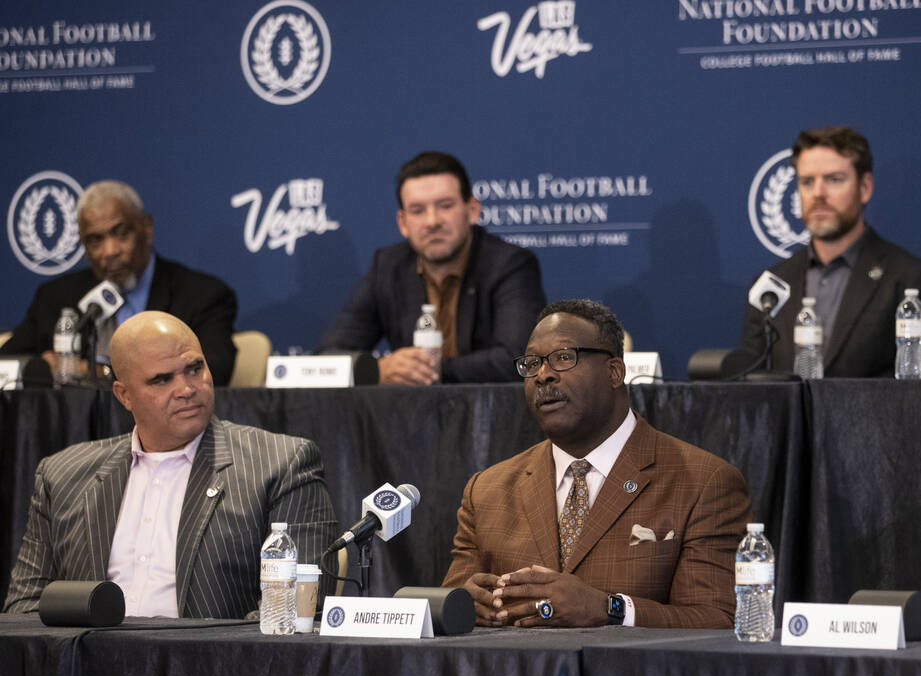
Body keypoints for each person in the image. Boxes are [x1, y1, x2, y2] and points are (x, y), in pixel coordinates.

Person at [3, 311, 339, 618]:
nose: (187, 389)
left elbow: (296, 609)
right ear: (124, 395)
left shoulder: (281, 465)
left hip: (214, 675)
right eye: (162, 380)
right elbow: (25, 609)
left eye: (195, 369)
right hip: (89, 674)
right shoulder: (61, 477)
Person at [442, 299, 751, 628]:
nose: (543, 375)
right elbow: (449, 605)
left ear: (615, 372)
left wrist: (611, 609)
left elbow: (718, 619)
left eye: (563, 358)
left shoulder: (704, 483)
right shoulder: (487, 490)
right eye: (532, 363)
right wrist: (465, 605)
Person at [738, 126, 921, 377]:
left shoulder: (908, 278)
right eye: (807, 182)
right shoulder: (772, 285)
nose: (818, 193)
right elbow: (748, 384)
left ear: (865, 187)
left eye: (834, 179)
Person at [319, 151, 546, 384]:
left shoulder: (509, 264)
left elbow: (520, 360)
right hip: (411, 417)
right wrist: (378, 369)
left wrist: (425, 370)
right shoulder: (387, 267)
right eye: (417, 210)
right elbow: (327, 359)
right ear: (403, 223)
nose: (432, 221)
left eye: (445, 206)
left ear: (472, 211)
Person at [0, 180, 238, 385]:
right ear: (84, 247)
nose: (110, 251)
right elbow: (7, 363)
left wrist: (93, 372)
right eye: (95, 240)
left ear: (147, 229)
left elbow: (216, 370)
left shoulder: (201, 295)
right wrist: (41, 368)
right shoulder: (56, 297)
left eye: (122, 233)